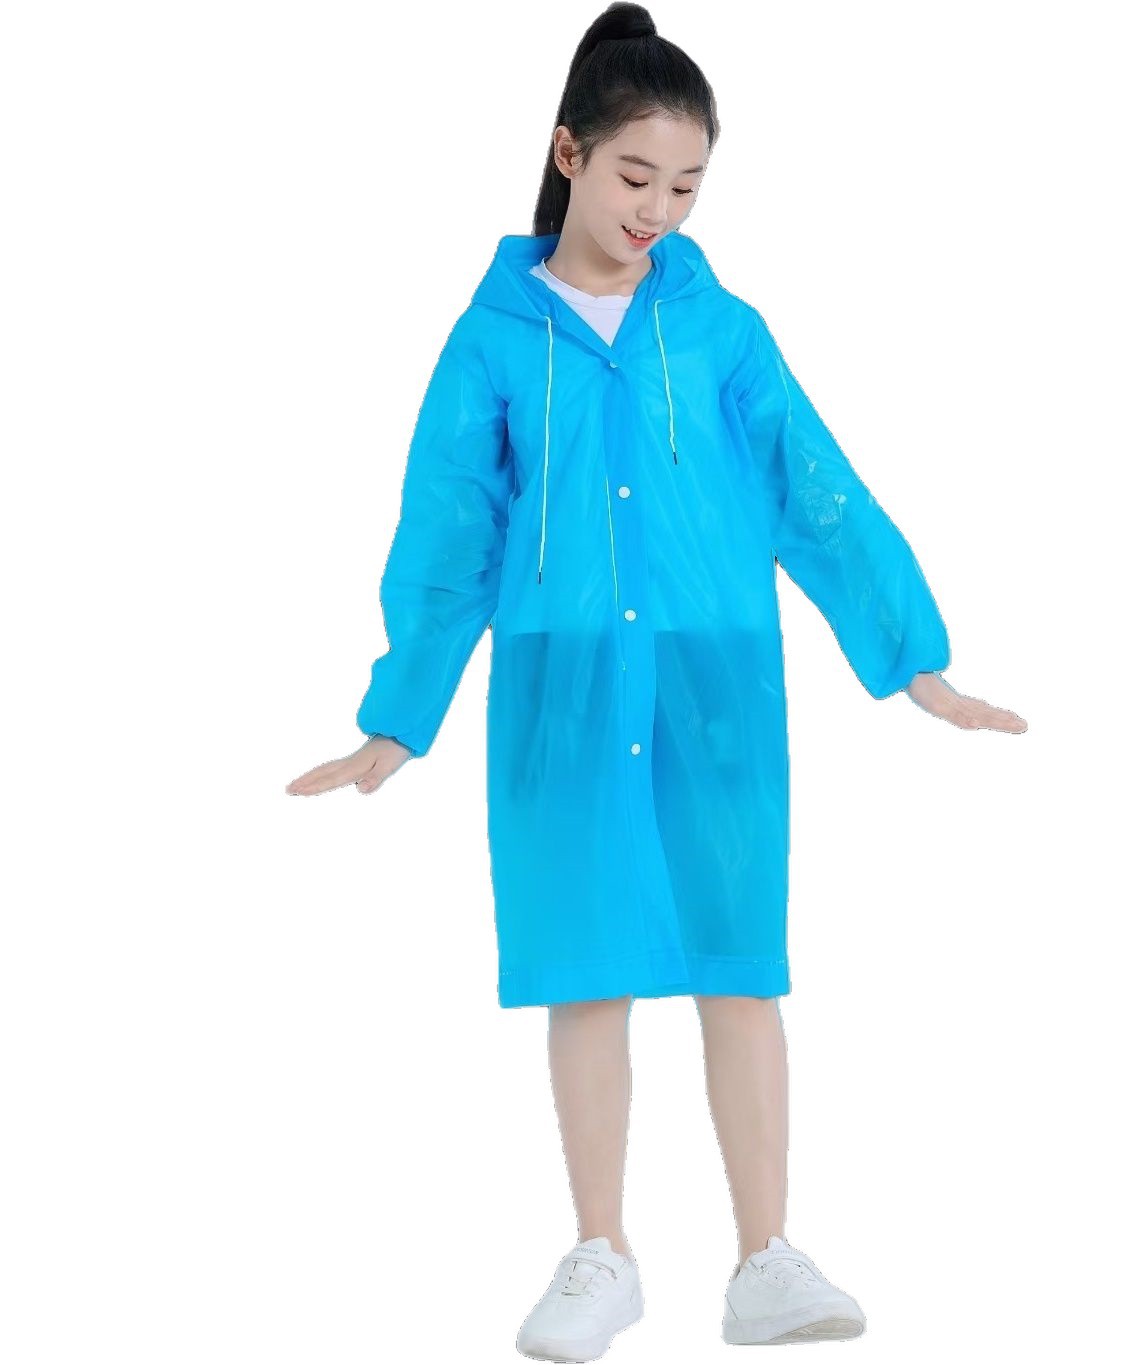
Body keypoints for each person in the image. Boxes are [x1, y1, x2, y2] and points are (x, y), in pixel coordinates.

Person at [286, 3, 1027, 1358]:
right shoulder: (493, 341)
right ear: (567, 152)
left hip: (712, 677)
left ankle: (766, 1257)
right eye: (636, 175)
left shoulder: (720, 330)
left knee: (738, 958)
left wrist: (911, 655)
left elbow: (814, 488)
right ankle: (600, 1252)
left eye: (686, 186)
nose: (657, 211)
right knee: (585, 961)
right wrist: (399, 713)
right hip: (562, 684)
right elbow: (449, 535)